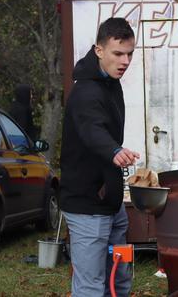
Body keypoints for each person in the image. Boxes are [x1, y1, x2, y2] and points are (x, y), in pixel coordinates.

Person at [60, 17, 140, 297]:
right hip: (86, 206)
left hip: (111, 202)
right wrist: (114, 151)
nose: (125, 61)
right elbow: (91, 129)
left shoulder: (110, 82)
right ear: (99, 50)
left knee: (118, 280)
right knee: (91, 287)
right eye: (118, 53)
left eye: (130, 53)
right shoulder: (86, 92)